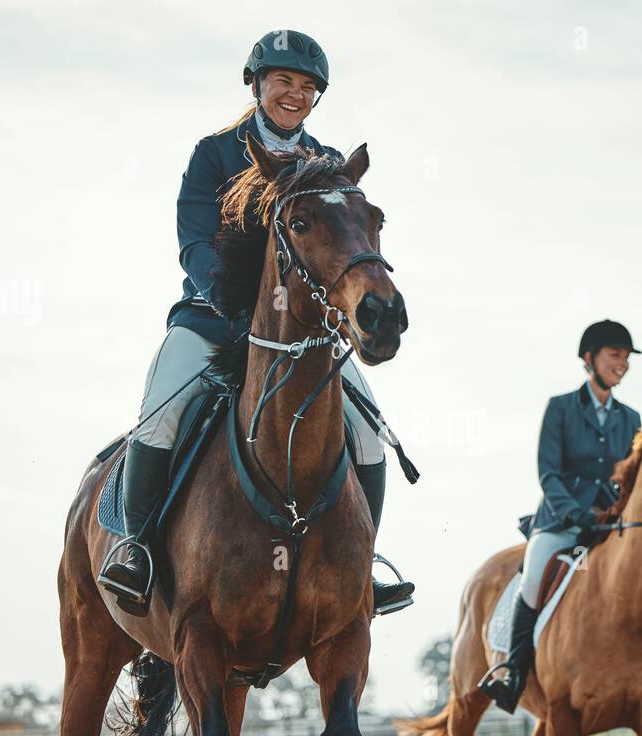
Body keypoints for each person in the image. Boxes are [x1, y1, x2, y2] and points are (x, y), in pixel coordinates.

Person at [98, 29, 415, 615]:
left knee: (369, 432)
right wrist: (226, 301)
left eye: (307, 87)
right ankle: (135, 549)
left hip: (302, 338)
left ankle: (361, 564)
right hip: (214, 321)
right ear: (258, 83)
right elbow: (194, 240)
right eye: (284, 82)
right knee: (161, 414)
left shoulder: (326, 164)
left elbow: (341, 246)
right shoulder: (214, 153)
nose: (295, 94)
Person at [478, 320, 642, 714]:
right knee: (535, 571)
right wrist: (577, 514)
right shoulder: (561, 408)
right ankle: (513, 671)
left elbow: (631, 477)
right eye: (615, 356)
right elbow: (549, 473)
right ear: (589, 359)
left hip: (612, 522)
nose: (622, 364)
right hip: (561, 520)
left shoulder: (630, 417)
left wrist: (621, 511)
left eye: (626, 358)